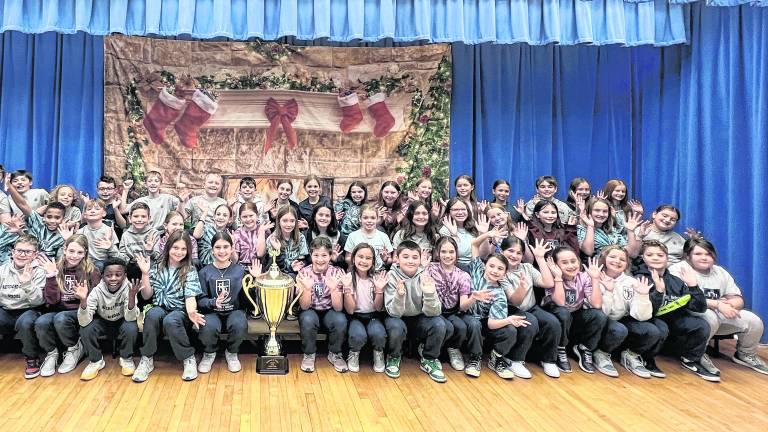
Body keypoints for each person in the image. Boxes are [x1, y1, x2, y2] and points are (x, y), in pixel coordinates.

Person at [669, 237, 768, 375]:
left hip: (719, 312)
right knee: (709, 316)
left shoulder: (720, 272)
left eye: (708, 254)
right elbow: (686, 300)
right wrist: (717, 304)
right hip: (689, 315)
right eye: (698, 254)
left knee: (753, 321)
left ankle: (745, 354)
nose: (704, 258)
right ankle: (697, 354)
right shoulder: (678, 269)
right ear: (687, 256)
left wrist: (732, 304)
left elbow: (738, 299)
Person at [633, 240, 715, 381]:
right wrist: (658, 292)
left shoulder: (675, 280)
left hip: (673, 320)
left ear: (667, 258)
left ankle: (690, 359)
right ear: (643, 257)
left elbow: (700, 308)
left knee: (701, 324)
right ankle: (647, 358)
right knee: (661, 328)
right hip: (649, 320)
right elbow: (645, 312)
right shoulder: (639, 278)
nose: (655, 258)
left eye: (660, 255)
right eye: (650, 254)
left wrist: (693, 286)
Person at [132, 231, 205, 382]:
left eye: (183, 249)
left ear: (188, 251)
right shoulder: (157, 266)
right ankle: (147, 359)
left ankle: (188, 358)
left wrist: (191, 312)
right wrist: (145, 274)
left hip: (180, 311)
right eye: (175, 248)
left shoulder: (189, 269)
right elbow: (146, 296)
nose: (179, 252)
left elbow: (190, 296)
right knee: (152, 315)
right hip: (160, 306)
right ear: (168, 248)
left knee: (171, 320)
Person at [470, 230, 536, 379]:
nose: (495, 271)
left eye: (500, 269)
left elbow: (492, 324)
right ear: (485, 265)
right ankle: (475, 358)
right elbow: (474, 244)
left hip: (486, 321)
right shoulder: (477, 270)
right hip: (467, 315)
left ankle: (496, 358)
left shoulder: (499, 294)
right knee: (473, 323)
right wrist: (488, 234)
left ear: (505, 273)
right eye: (492, 266)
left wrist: (509, 320)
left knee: (510, 331)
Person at [34, 235, 101, 377]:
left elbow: (97, 301)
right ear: (64, 250)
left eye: (79, 252)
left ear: (85, 253)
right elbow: (51, 301)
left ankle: (74, 348)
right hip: (58, 309)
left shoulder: (92, 271)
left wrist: (84, 298)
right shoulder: (55, 268)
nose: (74, 256)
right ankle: (52, 353)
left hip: (81, 311)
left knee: (61, 318)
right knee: (41, 321)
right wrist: (51, 276)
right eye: (71, 251)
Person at [498, 235, 562, 378]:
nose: (514, 255)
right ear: (502, 252)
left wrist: (539, 258)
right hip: (511, 308)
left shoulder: (526, 267)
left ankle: (548, 360)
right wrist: (522, 287)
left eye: (519, 253)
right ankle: (514, 359)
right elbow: (515, 301)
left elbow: (548, 283)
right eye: (510, 251)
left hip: (531, 307)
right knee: (530, 323)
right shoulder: (501, 272)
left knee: (552, 322)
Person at [598, 245, 667, 379]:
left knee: (653, 330)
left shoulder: (631, 282)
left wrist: (642, 296)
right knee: (618, 330)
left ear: (627, 264)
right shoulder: (595, 277)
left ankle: (630, 354)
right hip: (602, 318)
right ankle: (601, 352)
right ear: (604, 259)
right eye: (612, 257)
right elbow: (604, 313)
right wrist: (609, 291)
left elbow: (641, 316)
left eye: (622, 259)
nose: (617, 261)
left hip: (622, 318)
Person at [543, 247, 614, 375]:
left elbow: (596, 304)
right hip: (557, 318)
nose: (570, 265)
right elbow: (560, 303)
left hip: (574, 318)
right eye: (564, 262)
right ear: (555, 265)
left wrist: (595, 279)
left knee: (599, 315)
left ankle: (584, 348)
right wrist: (558, 277)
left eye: (573, 261)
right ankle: (560, 348)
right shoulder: (551, 277)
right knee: (563, 312)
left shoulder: (583, 277)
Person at [384, 241, 446, 382]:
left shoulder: (425, 276)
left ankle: (429, 358)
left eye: (414, 257)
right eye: (405, 257)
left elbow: (435, 312)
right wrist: (400, 295)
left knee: (439, 324)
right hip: (398, 317)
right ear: (397, 259)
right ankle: (394, 356)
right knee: (395, 326)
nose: (410, 261)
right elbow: (393, 313)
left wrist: (429, 294)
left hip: (418, 318)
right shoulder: (392, 276)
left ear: (420, 260)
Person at [428, 236, 484, 377]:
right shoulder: (430, 269)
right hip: (433, 310)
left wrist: (473, 298)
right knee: (447, 326)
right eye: (444, 252)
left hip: (453, 311)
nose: (447, 256)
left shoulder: (463, 275)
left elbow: (463, 306)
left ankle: (461, 352)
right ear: (437, 253)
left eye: (451, 252)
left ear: (456, 254)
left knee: (469, 324)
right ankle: (433, 354)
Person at [77, 258, 141, 380]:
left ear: (124, 275)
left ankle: (126, 358)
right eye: (108, 275)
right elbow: (83, 321)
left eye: (118, 275)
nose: (113, 278)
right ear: (102, 276)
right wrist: (83, 300)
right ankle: (96, 361)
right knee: (86, 328)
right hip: (103, 321)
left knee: (131, 327)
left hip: (122, 320)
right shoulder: (97, 291)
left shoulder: (129, 288)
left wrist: (132, 297)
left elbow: (130, 317)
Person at [196, 232, 250, 374]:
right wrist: (213, 302)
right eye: (218, 247)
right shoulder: (204, 272)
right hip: (211, 311)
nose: (222, 251)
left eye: (226, 247)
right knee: (207, 326)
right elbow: (200, 300)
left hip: (234, 310)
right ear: (212, 250)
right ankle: (209, 353)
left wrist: (254, 282)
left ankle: (232, 352)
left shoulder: (240, 271)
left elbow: (247, 300)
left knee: (240, 323)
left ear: (232, 249)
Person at [295, 237, 348, 373]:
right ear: (311, 255)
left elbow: (338, 307)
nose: (320, 259)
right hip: (310, 309)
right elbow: (304, 306)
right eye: (316, 255)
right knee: (307, 319)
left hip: (330, 309)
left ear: (330, 256)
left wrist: (334, 289)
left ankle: (335, 353)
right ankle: (309, 354)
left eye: (324, 255)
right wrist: (306, 289)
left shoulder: (336, 273)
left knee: (340, 319)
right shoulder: (304, 273)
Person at [0, 236, 46, 378]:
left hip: (29, 309)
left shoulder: (39, 271)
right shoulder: (2, 270)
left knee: (25, 322)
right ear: (12, 252)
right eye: (19, 251)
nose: (22, 254)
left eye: (27, 252)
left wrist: (27, 284)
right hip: (6, 309)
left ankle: (32, 358)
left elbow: (38, 301)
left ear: (35, 255)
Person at [343, 243, 387, 373]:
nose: (364, 261)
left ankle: (378, 354)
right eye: (360, 257)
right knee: (358, 335)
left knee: (378, 334)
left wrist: (379, 290)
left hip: (373, 316)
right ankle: (354, 353)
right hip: (355, 316)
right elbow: (350, 310)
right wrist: (347, 288)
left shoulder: (376, 278)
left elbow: (378, 308)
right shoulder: (348, 278)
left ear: (373, 261)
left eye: (368, 258)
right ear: (353, 258)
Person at [6, 176, 67, 259]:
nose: (52, 221)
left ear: (63, 219)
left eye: (57, 218)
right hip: (26, 262)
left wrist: (67, 240)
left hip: (46, 269)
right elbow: (22, 204)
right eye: (49, 217)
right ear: (44, 216)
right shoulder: (38, 222)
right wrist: (9, 186)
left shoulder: (64, 235)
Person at [577, 197, 643, 258]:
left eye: (605, 211)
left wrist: (630, 231)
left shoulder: (612, 229)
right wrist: (590, 226)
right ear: (589, 211)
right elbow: (588, 252)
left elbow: (631, 254)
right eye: (597, 210)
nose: (601, 214)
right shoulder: (581, 229)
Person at [344, 204, 393, 272]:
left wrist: (385, 259)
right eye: (365, 218)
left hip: (378, 272)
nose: (369, 221)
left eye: (373, 218)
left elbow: (390, 259)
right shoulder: (353, 236)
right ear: (360, 219)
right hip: (358, 272)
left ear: (377, 219)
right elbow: (347, 257)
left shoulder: (383, 236)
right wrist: (357, 259)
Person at [77, 199, 120, 271]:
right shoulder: (80, 232)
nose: (92, 211)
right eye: (89, 209)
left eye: (97, 209)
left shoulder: (108, 230)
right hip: (85, 263)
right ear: (84, 214)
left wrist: (110, 247)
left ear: (104, 213)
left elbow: (117, 257)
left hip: (103, 264)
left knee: (99, 265)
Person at [439, 198, 480, 272]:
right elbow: (453, 256)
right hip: (458, 269)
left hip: (476, 267)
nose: (460, 212)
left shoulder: (474, 227)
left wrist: (484, 235)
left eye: (463, 209)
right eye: (455, 210)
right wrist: (454, 235)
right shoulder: (445, 230)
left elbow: (483, 254)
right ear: (448, 212)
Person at [266, 206, 308, 278]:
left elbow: (304, 260)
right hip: (277, 275)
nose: (289, 225)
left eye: (292, 221)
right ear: (279, 221)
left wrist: (298, 264)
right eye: (285, 221)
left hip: (295, 274)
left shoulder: (301, 237)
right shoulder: (272, 239)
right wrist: (277, 250)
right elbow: (271, 266)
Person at [232, 202, 270, 270]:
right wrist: (232, 246)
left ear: (257, 215)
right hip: (241, 269)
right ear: (240, 218)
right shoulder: (237, 234)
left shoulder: (264, 230)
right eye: (244, 217)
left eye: (251, 215)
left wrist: (261, 232)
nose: (248, 219)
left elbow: (260, 254)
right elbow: (234, 260)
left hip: (260, 268)